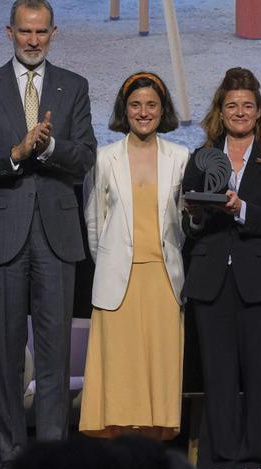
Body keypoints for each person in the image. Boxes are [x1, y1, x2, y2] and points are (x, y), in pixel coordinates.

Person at [0, 0, 97, 469]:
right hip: (1, 233)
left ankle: (52, 457)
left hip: (56, 234)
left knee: (55, 354)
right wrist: (15, 152)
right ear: (9, 32)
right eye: (24, 32)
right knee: (8, 353)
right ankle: (11, 453)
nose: (33, 40)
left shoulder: (73, 86)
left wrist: (49, 146)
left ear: (53, 33)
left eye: (41, 32)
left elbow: (85, 156)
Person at [182, 67, 261, 469]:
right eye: (232, 105)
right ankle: (223, 459)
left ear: (259, 111)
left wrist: (240, 208)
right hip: (210, 277)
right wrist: (193, 215)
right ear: (220, 111)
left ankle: (259, 459)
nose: (240, 112)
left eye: (247, 105)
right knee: (218, 373)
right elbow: (190, 221)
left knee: (257, 373)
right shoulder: (202, 157)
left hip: (259, 279)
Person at [80, 72, 188, 440]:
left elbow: (184, 223)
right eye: (136, 105)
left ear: (163, 110)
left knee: (158, 369)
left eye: (151, 105)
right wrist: (112, 263)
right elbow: (95, 222)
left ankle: (150, 458)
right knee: (121, 371)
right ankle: (119, 460)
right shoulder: (104, 157)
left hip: (162, 279)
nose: (144, 112)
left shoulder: (180, 157)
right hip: (117, 281)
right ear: (124, 111)